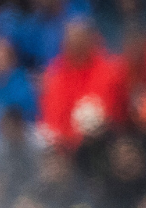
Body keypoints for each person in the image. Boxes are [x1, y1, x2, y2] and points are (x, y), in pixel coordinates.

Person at [38, 20, 120, 148]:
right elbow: (53, 119)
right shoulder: (55, 75)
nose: (76, 45)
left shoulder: (110, 70)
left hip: (103, 141)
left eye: (80, 40)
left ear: (91, 41)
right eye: (71, 41)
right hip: (66, 148)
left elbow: (113, 112)